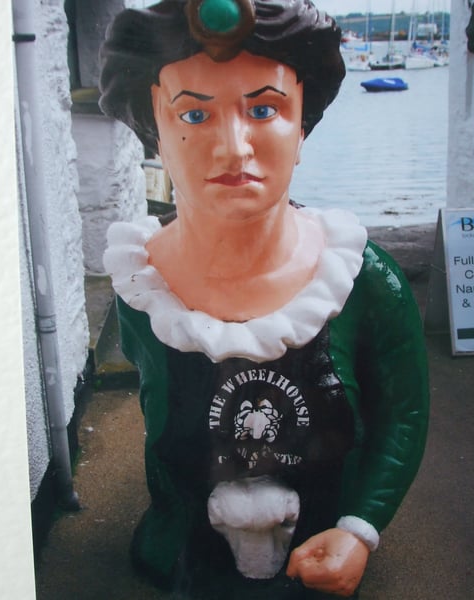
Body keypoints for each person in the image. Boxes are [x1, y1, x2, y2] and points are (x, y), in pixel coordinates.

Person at [100, 0, 429, 597]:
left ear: (302, 124)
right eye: (194, 116)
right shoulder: (142, 289)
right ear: (155, 126)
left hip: (318, 560)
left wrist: (359, 529)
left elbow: (401, 414)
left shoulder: (361, 281)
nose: (233, 146)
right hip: (180, 560)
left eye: (263, 108)